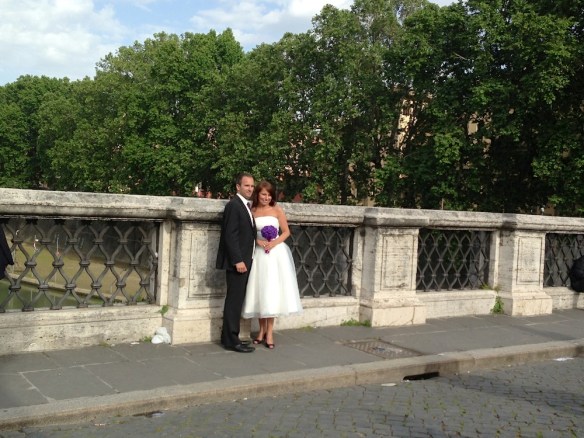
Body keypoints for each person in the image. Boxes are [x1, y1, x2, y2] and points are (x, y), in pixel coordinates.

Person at [242, 180, 303, 349]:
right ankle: (261, 330)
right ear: (258, 195)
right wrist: (258, 240)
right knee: (260, 291)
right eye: (263, 194)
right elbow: (248, 233)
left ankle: (269, 332)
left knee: (272, 291)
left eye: (269, 195)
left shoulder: (277, 210)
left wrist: (274, 242)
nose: (266, 197)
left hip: (275, 254)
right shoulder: (252, 210)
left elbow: (286, 232)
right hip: (260, 254)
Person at [215, 172, 257, 353]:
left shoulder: (245, 206)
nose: (250, 189)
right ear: (238, 187)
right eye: (247, 185)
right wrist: (238, 260)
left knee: (237, 299)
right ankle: (232, 340)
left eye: (252, 186)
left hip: (246, 259)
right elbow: (230, 236)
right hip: (238, 262)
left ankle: (230, 338)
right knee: (234, 300)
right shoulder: (234, 205)